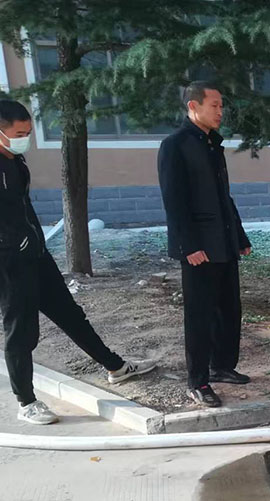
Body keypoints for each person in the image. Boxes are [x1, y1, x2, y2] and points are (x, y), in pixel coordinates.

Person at [0, 100, 156, 425]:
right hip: (10, 265)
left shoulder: (15, 160)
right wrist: (12, 244)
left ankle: (116, 367)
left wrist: (33, 242)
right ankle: (26, 402)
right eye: (19, 134)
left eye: (27, 133)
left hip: (37, 256)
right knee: (21, 332)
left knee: (71, 315)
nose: (25, 139)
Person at [158, 81, 252, 409]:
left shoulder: (213, 144)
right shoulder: (176, 145)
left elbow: (224, 197)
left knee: (228, 309)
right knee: (199, 315)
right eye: (214, 105)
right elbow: (174, 201)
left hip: (223, 241)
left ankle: (222, 365)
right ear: (193, 106)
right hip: (198, 248)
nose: (220, 111)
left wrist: (239, 236)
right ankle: (197, 381)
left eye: (221, 106)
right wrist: (187, 246)